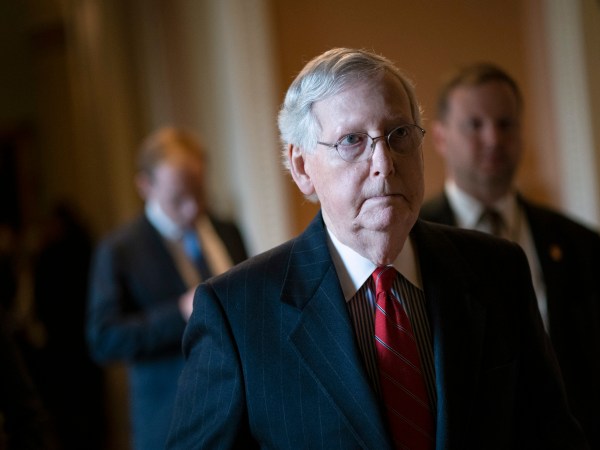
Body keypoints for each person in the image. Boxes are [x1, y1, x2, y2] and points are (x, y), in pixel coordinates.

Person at [165, 48, 588, 449]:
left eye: (398, 133)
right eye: (352, 140)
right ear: (301, 167)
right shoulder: (237, 312)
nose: (384, 162)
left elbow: (551, 434)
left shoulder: (497, 270)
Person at [419, 62, 600, 448]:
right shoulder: (411, 241)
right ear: (440, 137)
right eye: (475, 124)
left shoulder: (581, 244)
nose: (493, 138)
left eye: (506, 123)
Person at [86, 126, 249, 450]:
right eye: (178, 198)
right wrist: (179, 313)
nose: (192, 209)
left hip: (240, 415)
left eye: (199, 193)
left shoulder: (226, 230)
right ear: (145, 186)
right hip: (169, 423)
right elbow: (103, 338)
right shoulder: (119, 250)